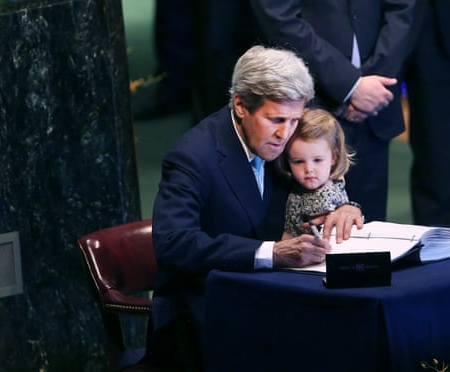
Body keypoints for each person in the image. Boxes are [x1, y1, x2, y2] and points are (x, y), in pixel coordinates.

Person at [145, 46, 364, 370]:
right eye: (276, 120)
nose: (285, 133)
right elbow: (173, 243)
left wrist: (346, 207)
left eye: (293, 121)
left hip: (274, 295)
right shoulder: (194, 156)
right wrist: (270, 253)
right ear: (240, 105)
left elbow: (315, 186)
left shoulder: (281, 136)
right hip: (207, 312)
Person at [249, 0, 415, 223]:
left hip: (375, 103)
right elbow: (279, 16)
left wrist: (370, 87)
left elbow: (402, 8)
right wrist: (350, 85)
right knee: (305, 239)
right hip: (306, 102)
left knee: (370, 236)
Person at [400, 0, 450, 227]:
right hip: (368, 15)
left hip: (443, 15)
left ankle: (436, 243)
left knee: (440, 141)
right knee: (360, 123)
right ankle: (354, 235)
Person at [277, 108, 356, 239]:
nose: (309, 169)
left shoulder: (326, 198)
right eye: (298, 161)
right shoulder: (296, 190)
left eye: (317, 160)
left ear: (334, 157)